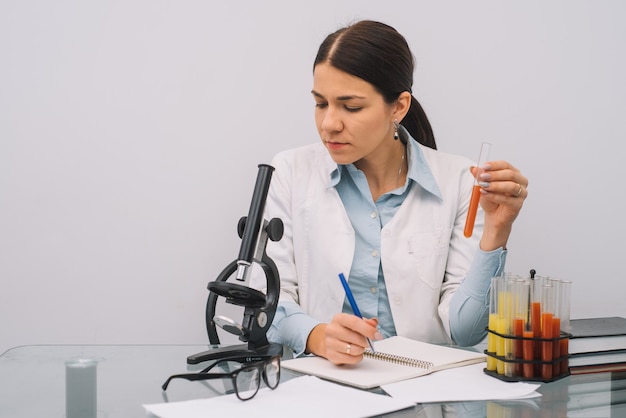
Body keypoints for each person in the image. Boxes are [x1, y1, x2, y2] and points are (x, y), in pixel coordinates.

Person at [250, 20, 528, 366]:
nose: (329, 124)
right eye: (321, 103)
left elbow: (466, 331)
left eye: (350, 107)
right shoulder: (291, 172)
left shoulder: (458, 180)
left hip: (426, 389)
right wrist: (317, 336)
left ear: (398, 107)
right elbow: (266, 298)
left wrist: (498, 232)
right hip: (323, 385)